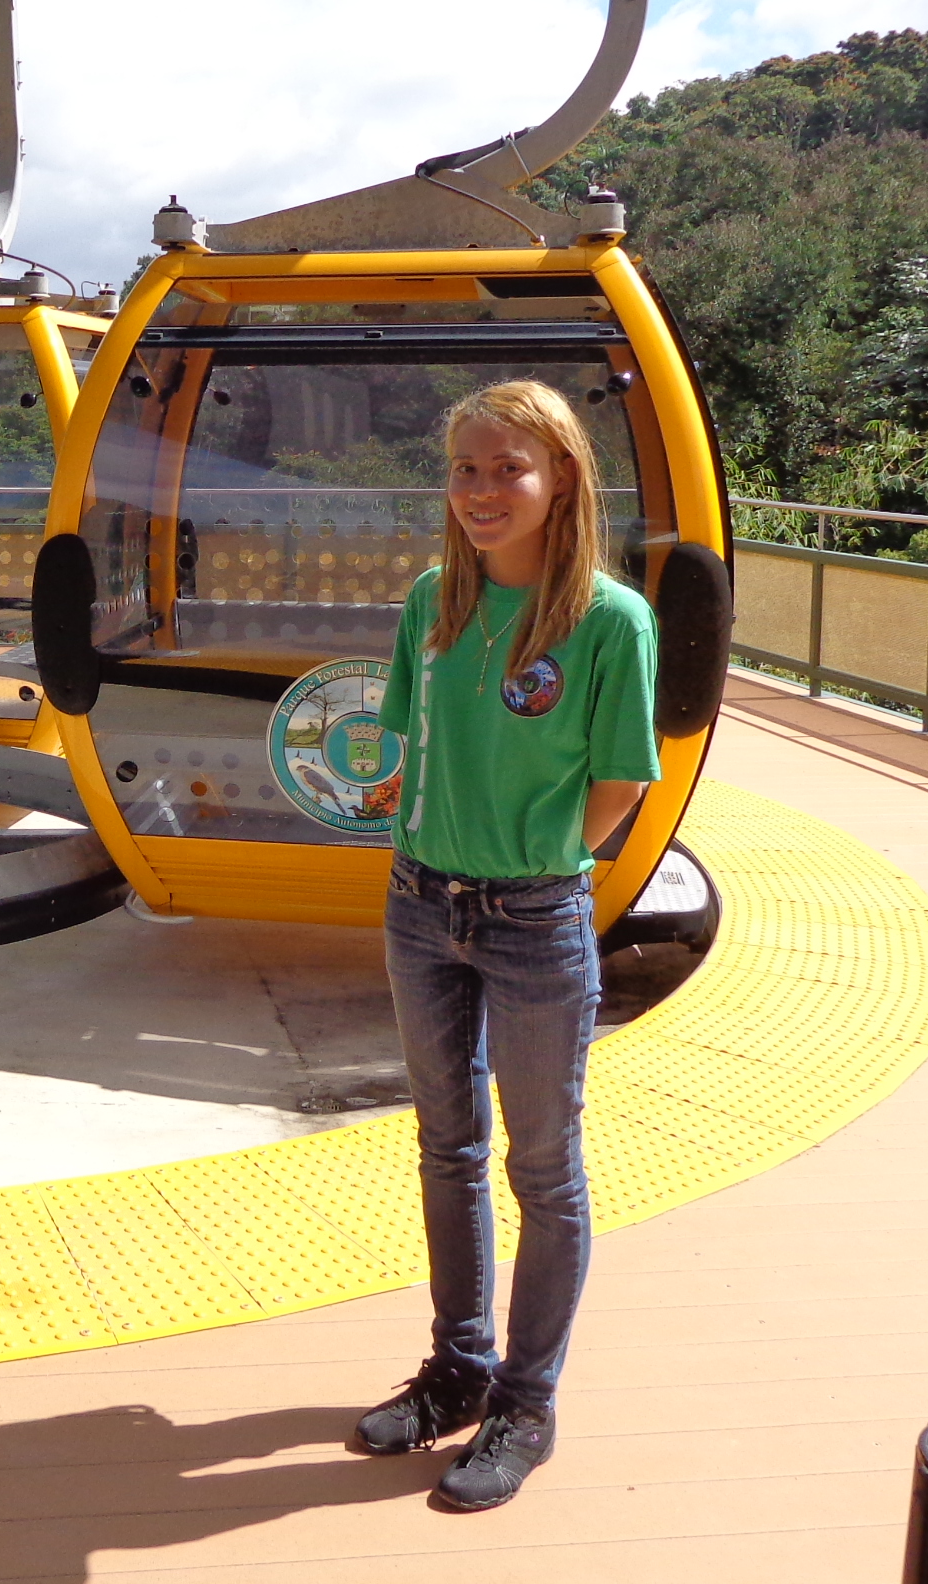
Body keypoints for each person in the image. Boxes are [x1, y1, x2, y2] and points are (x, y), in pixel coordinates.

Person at [353, 379, 660, 1511]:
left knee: (543, 1169)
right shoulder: (434, 599)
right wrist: (412, 794)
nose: (481, 490)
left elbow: (621, 781)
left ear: (562, 476)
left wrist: (536, 857)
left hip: (535, 918)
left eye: (507, 469)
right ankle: (459, 1369)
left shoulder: (610, 622)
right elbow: (418, 731)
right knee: (446, 1147)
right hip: (419, 904)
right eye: (465, 469)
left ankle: (527, 1404)